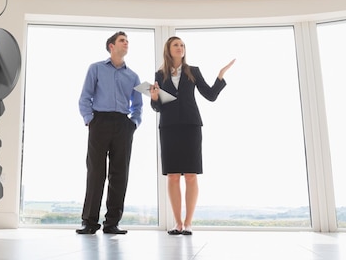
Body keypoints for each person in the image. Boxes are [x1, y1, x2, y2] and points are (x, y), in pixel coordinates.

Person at [149, 36, 235, 236]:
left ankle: (188, 223)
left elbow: (211, 95)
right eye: (176, 45)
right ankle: (177, 223)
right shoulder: (159, 74)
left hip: (191, 126)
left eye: (182, 45)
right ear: (168, 50)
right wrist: (154, 98)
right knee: (172, 176)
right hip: (169, 126)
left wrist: (220, 76)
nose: (180, 48)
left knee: (190, 175)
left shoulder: (193, 71)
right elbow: (157, 107)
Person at [76, 31, 143, 235]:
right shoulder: (95, 68)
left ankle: (112, 223)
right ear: (111, 46)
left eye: (127, 41)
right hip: (99, 122)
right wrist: (90, 120)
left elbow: (138, 105)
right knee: (96, 172)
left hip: (123, 125)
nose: (126, 44)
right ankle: (89, 222)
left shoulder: (133, 76)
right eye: (122, 41)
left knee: (120, 174)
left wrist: (133, 124)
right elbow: (85, 97)